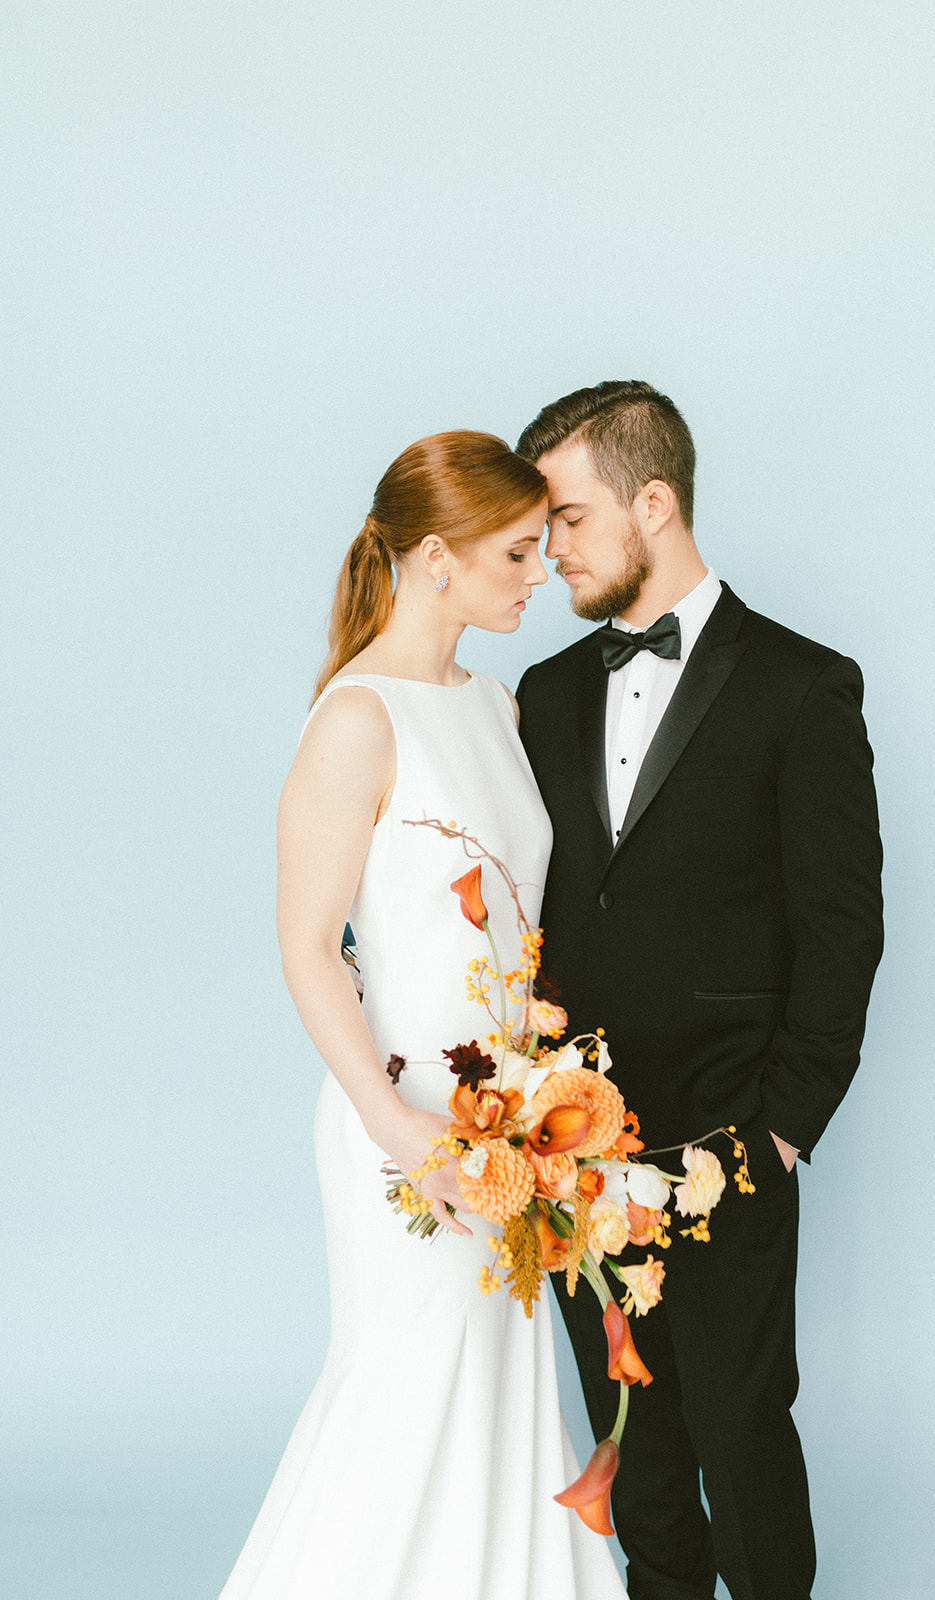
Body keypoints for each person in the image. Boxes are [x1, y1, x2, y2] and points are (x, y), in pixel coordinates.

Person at [219, 430, 626, 1600]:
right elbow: (308, 949)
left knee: (497, 1403)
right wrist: (399, 1128)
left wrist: (551, 1097)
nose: (540, 572)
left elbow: (515, 925)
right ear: (438, 557)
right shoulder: (356, 718)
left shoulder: (494, 704)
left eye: (542, 545)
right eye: (516, 552)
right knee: (408, 1395)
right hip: (403, 1124)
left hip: (510, 1126)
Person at [514, 382, 884, 1600]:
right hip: (574, 1145)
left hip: (730, 1133)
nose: (548, 550)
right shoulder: (542, 694)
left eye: (568, 518)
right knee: (632, 1432)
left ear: (653, 503)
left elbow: (841, 931)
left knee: (739, 1421)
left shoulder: (800, 686)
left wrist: (780, 1127)